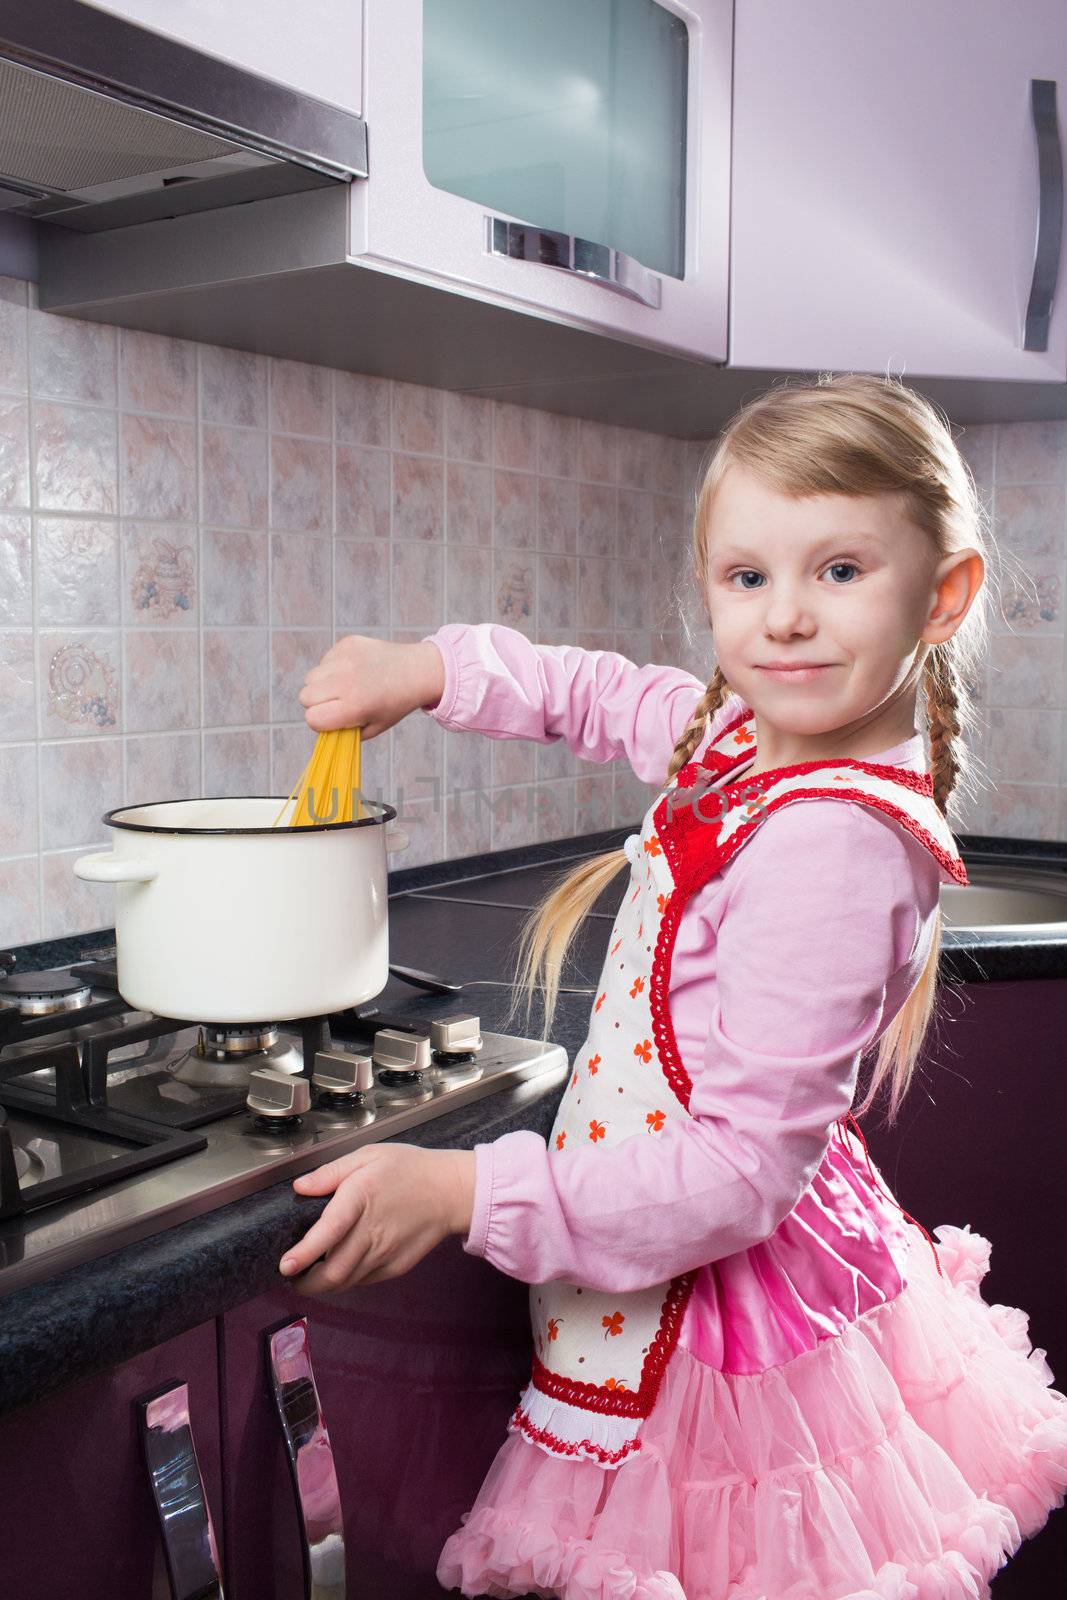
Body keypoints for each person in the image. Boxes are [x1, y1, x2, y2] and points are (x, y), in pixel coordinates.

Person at [277, 374, 1067, 1599]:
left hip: (717, 1351)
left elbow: (732, 1177)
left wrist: (460, 1189)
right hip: (667, 1271)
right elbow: (602, 695)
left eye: (838, 569)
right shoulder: (747, 737)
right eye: (745, 577)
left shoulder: (835, 847)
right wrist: (430, 668)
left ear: (942, 592)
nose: (784, 618)